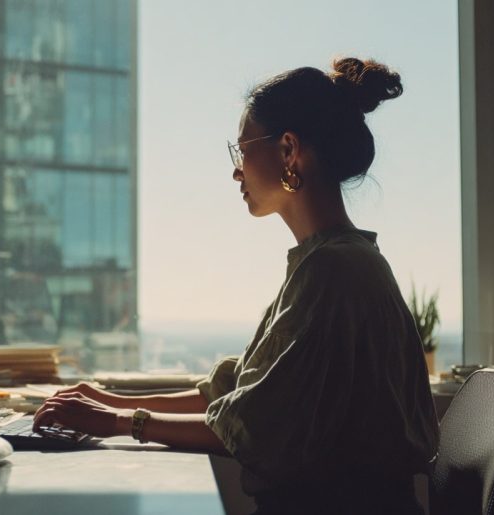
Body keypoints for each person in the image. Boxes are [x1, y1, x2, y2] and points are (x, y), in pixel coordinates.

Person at [34, 57, 439, 515]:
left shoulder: (335, 271)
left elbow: (252, 425)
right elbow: (235, 393)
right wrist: (107, 399)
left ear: (289, 150)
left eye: (243, 150)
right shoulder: (328, 261)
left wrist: (118, 420)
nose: (236, 171)